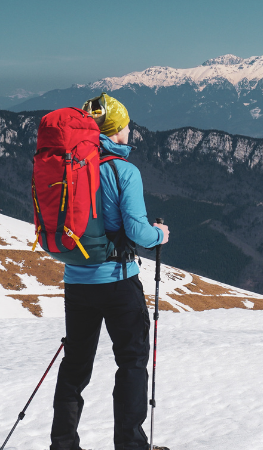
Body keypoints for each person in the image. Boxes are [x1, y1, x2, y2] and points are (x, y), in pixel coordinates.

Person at [50, 93, 169, 450]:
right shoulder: (123, 170)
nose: (131, 130)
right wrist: (160, 233)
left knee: (76, 365)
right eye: (127, 125)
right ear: (116, 131)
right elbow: (137, 232)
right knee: (132, 361)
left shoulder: (70, 167)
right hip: (118, 280)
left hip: (77, 281)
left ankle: (63, 444)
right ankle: (131, 446)